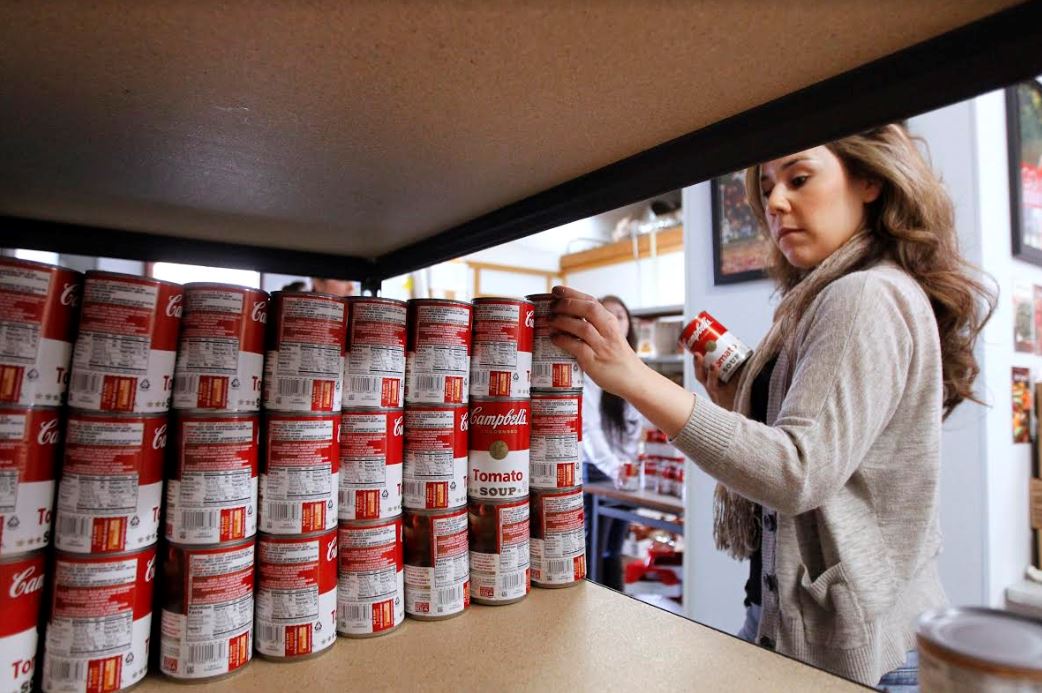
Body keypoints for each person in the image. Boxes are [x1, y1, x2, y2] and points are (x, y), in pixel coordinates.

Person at [547, 124, 994, 688]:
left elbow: (796, 470)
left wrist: (633, 377)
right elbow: (833, 453)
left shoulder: (862, 296)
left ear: (868, 181)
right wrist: (737, 404)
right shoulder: (831, 298)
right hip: (812, 620)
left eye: (799, 178)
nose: (776, 202)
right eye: (766, 187)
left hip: (853, 650)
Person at [581, 295, 642, 592]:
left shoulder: (633, 365)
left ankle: (618, 614)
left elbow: (635, 423)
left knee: (613, 552)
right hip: (596, 470)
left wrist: (628, 466)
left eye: (621, 315)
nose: (615, 320)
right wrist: (614, 467)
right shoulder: (588, 361)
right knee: (593, 552)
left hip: (623, 472)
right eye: (608, 314)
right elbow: (588, 427)